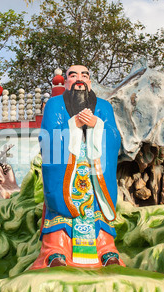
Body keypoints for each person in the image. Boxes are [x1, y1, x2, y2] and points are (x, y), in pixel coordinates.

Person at [30, 65, 125, 269]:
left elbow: (114, 136)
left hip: (94, 170)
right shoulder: (54, 104)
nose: (79, 79)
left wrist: (96, 126)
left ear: (90, 82)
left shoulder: (104, 106)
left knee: (96, 208)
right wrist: (73, 124)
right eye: (73, 75)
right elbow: (49, 135)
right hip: (66, 170)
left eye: (84, 75)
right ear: (66, 82)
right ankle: (56, 251)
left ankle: (105, 250)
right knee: (61, 212)